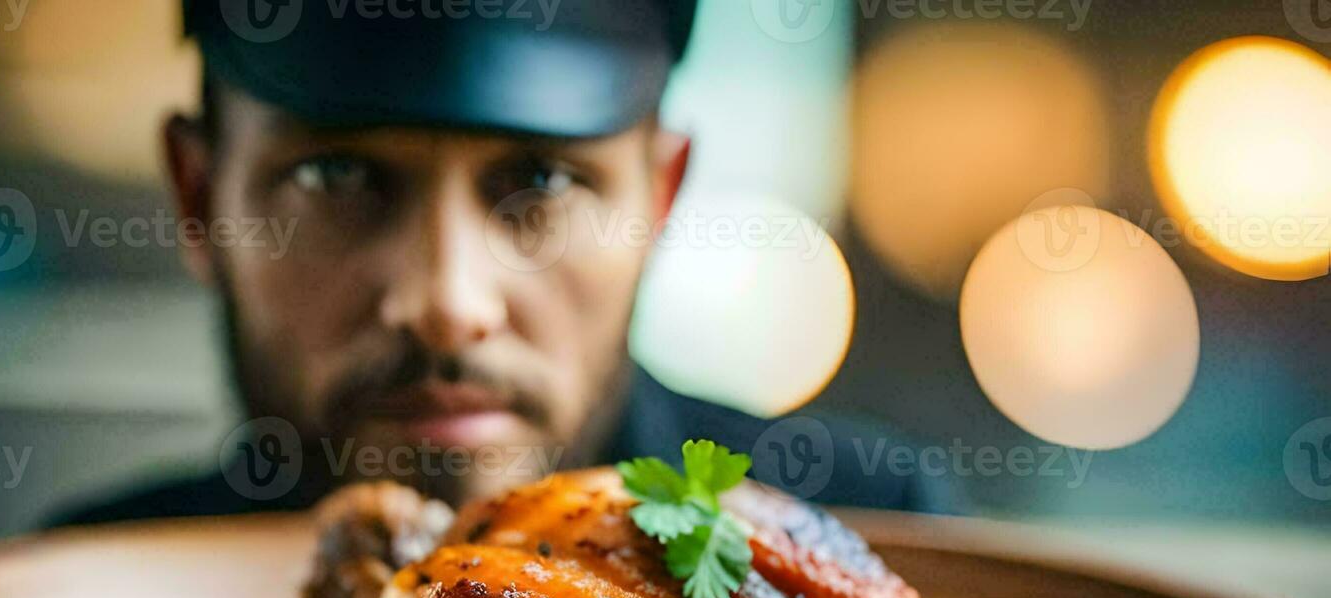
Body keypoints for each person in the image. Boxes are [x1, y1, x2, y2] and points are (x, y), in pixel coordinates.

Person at [65, 0, 952, 525]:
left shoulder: (878, 533)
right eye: (336, 176)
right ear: (197, 198)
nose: (447, 304)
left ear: (659, 199)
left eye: (543, 180)